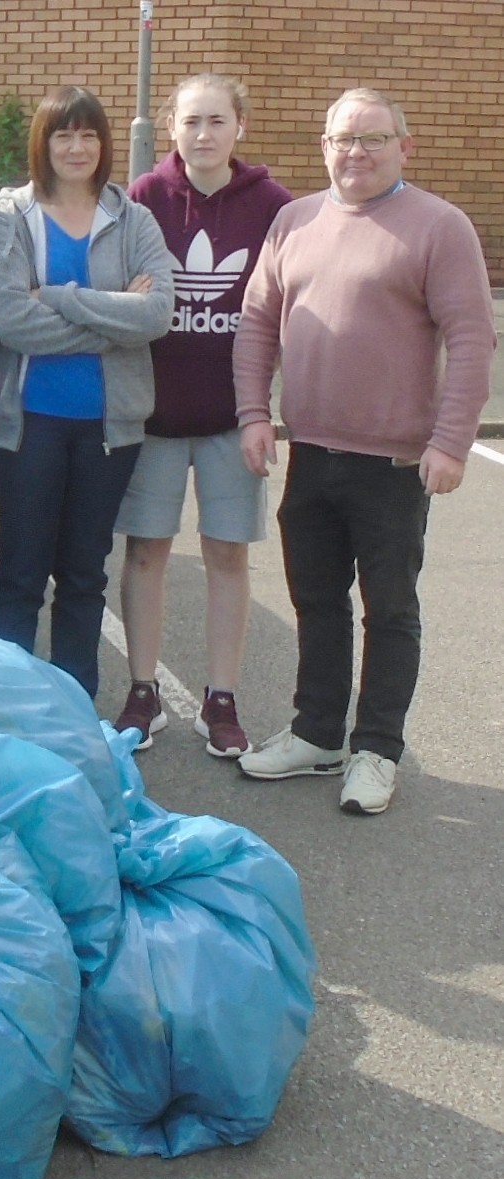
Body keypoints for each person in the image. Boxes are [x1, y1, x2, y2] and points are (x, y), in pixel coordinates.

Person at [233, 88, 494, 815]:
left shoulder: (440, 227)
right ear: (324, 146)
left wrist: (451, 441)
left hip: (395, 463)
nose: (356, 152)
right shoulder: (295, 220)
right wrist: (255, 414)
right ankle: (318, 734)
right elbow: (257, 324)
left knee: (389, 609)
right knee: (316, 601)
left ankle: (377, 748)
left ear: (404, 148)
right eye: (343, 138)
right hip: (312, 450)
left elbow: (471, 339)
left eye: (373, 138)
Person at [111, 74, 291, 754]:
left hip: (231, 416)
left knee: (225, 555)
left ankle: (222, 697)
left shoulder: (274, 206)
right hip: (152, 416)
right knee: (147, 553)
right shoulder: (143, 197)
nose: (204, 134)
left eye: (217, 121)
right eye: (192, 122)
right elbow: (116, 288)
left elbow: (285, 307)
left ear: (239, 128)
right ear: (172, 130)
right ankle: (142, 691)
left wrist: (268, 409)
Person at [0, 87, 175, 699]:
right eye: (63, 134)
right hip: (28, 422)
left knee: (84, 576)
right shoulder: (10, 215)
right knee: (19, 574)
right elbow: (10, 319)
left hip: (108, 429)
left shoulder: (133, 218)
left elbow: (156, 314)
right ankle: (9, 711)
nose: (76, 147)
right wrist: (111, 318)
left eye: (89, 135)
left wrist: (58, 296)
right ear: (43, 142)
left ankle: (73, 711)